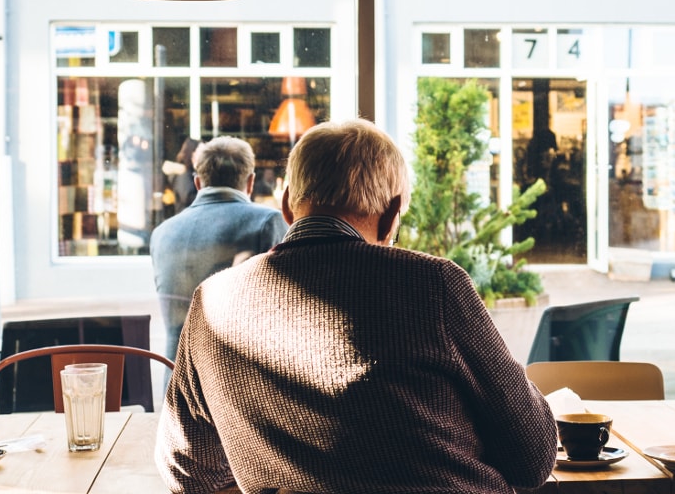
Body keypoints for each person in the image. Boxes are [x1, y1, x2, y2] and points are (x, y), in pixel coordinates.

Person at [155, 119, 558, 494]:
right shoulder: (434, 286)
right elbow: (533, 459)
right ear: (390, 217)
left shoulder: (211, 302)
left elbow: (187, 470)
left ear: (287, 205)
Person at [149, 135, 288, 362]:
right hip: (236, 384)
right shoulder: (266, 222)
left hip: (176, 383)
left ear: (197, 183)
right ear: (251, 182)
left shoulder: (162, 233)